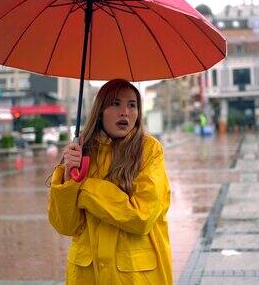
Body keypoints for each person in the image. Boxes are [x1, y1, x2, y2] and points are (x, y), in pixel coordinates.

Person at [47, 79, 172, 284]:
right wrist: (68, 176)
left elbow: (141, 216)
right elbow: (65, 226)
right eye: (116, 103)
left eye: (132, 105)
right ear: (100, 110)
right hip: (87, 275)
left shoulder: (149, 151)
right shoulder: (81, 152)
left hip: (135, 275)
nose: (125, 112)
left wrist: (84, 187)